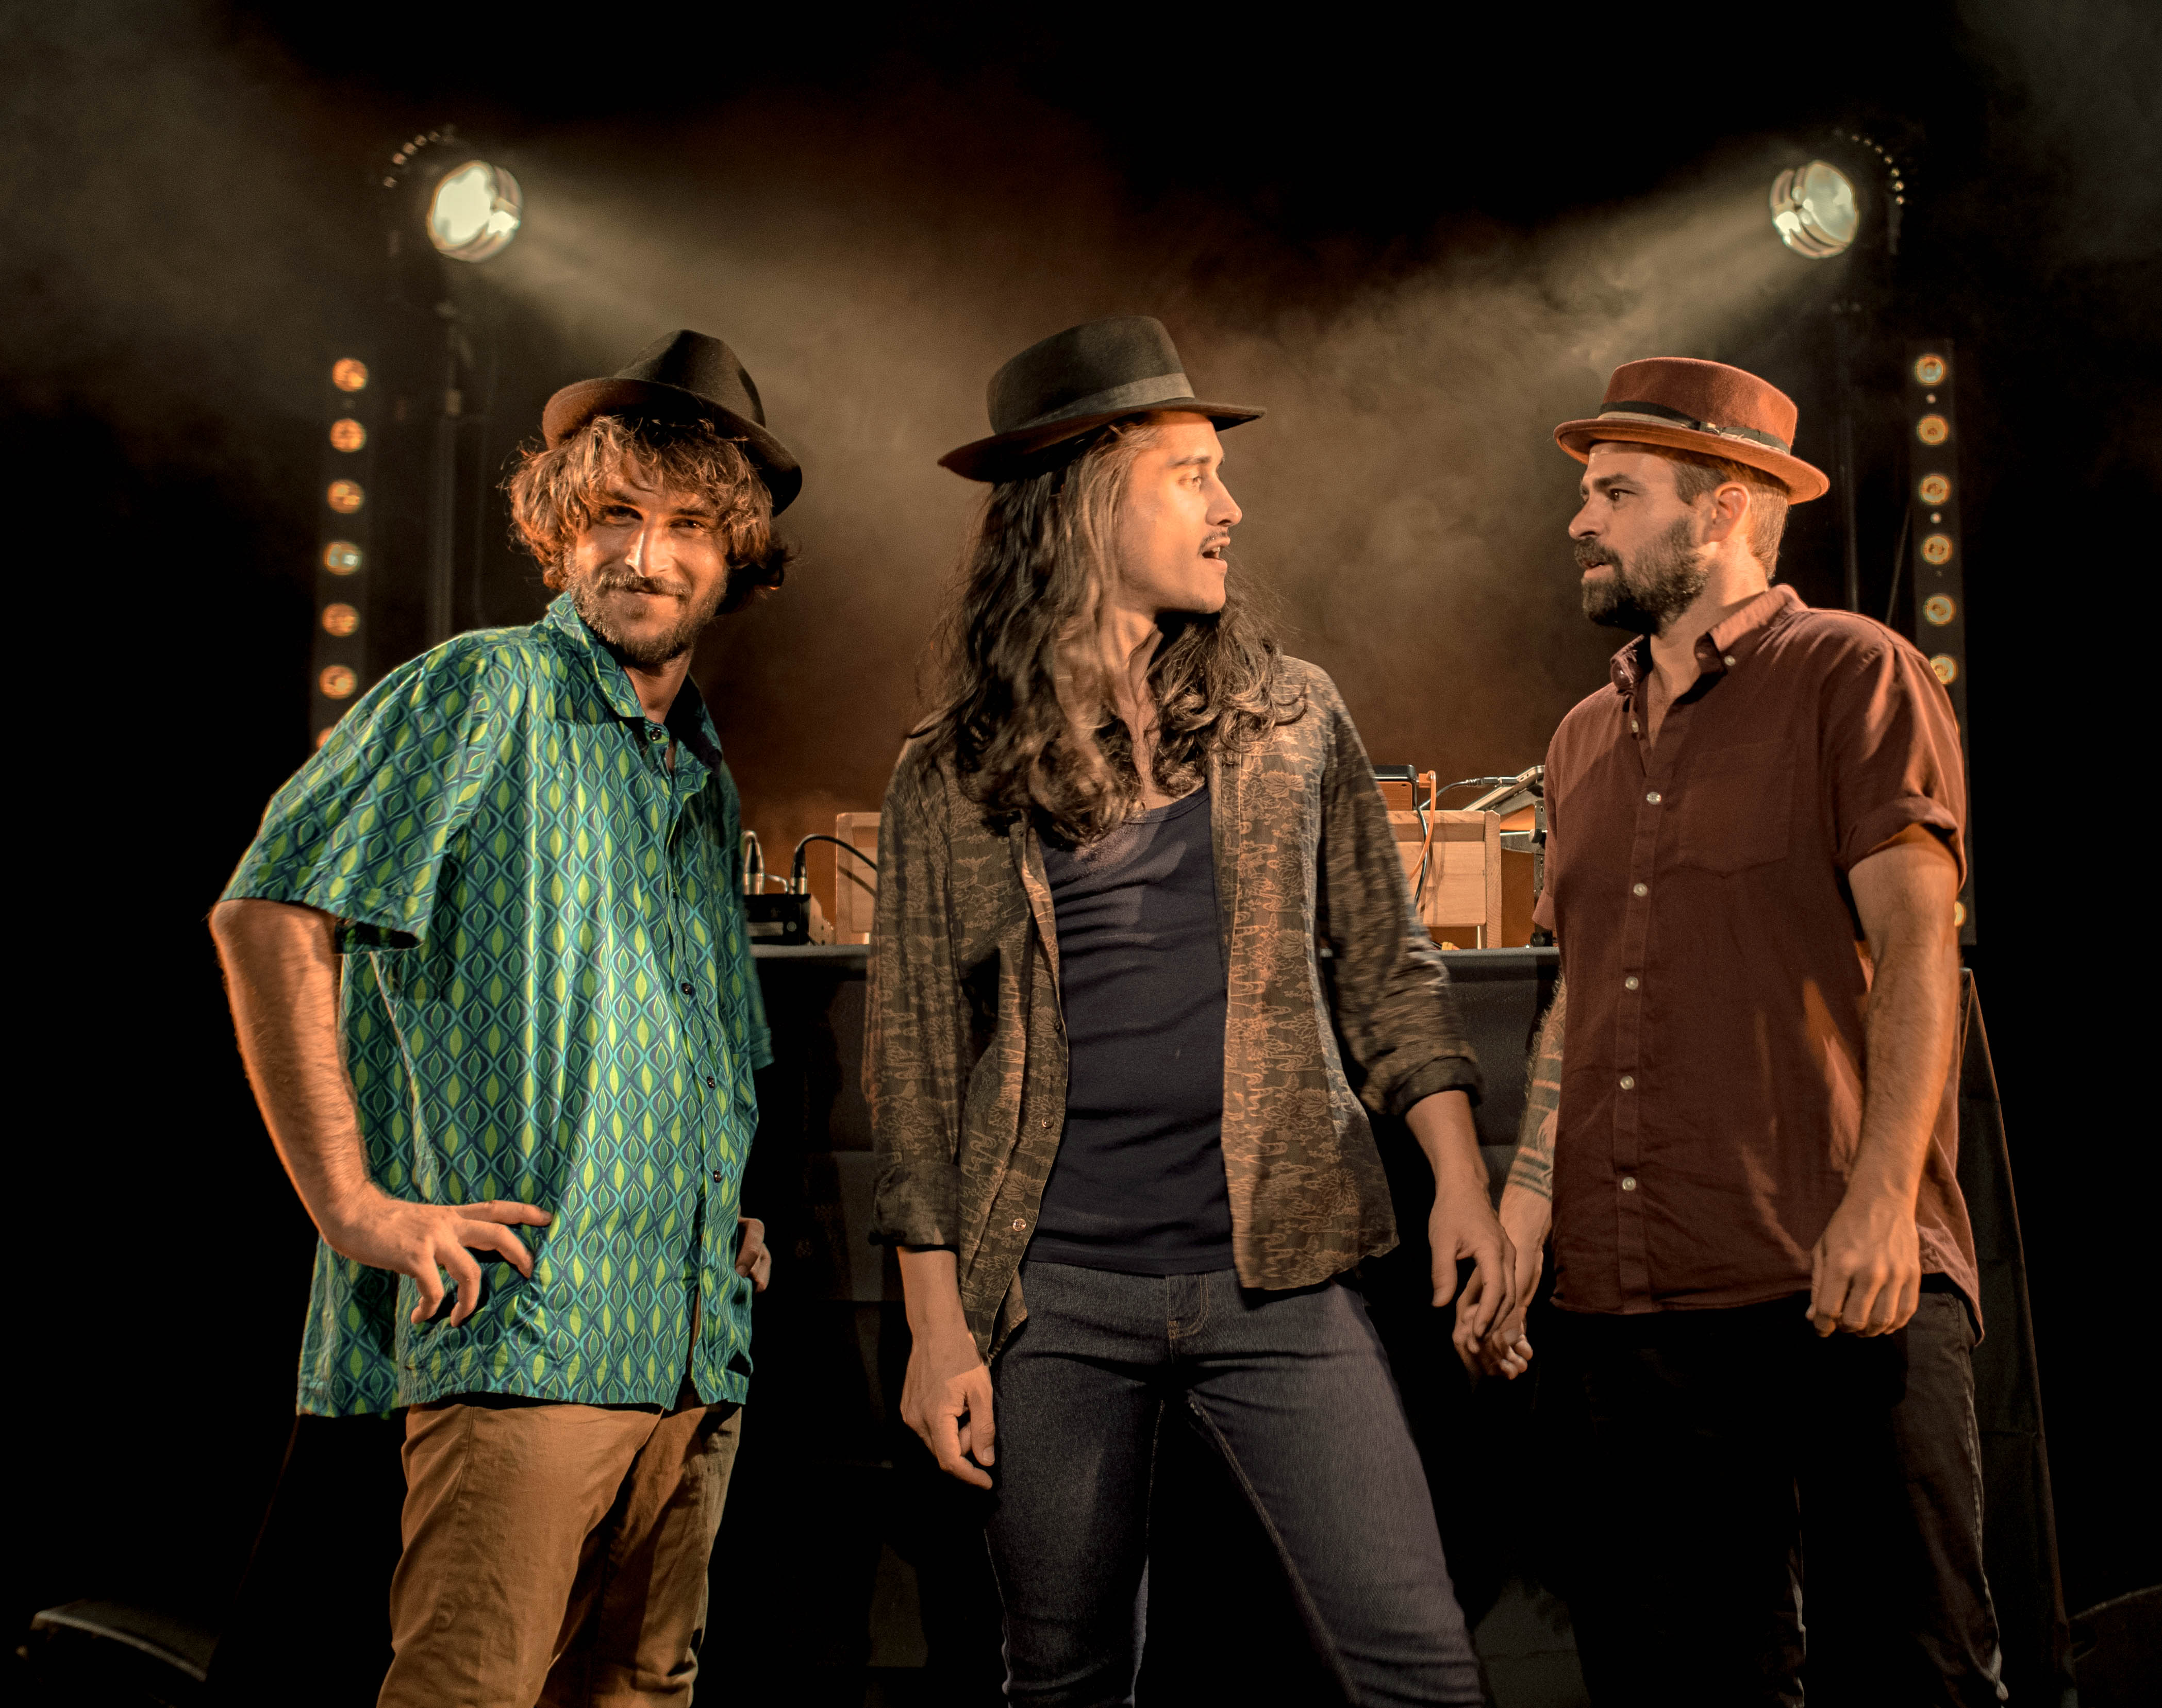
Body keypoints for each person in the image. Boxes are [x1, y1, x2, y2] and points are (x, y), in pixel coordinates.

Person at [866, 314, 1511, 1707]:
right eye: (1192, 474)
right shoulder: (950, 772)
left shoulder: (1291, 717)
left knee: (1419, 1671)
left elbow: (1389, 968)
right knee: (1064, 1680)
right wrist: (938, 1332)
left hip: (1278, 1273)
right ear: (1087, 500)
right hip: (1054, 1295)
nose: (1231, 508)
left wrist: (1461, 1180)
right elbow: (913, 1075)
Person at [211, 330, 795, 1707]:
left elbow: (694, 1037)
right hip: (531, 1340)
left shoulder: (700, 769)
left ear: (736, 554)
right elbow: (268, 913)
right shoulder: (485, 690)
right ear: (556, 533)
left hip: (689, 1347)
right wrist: (356, 1207)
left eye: (687, 526)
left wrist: (718, 1205)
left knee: (639, 1690)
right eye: (613, 517)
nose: (643, 556)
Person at [1480, 358, 2003, 1703]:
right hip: (1634, 1309)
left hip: (1833, 1279)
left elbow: (1918, 952)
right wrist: (1528, 1206)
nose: (1579, 522)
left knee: (1917, 1673)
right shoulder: (1579, 739)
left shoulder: (1852, 673)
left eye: (1615, 493)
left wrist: (1885, 1201)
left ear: (1721, 507)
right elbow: (1578, 995)